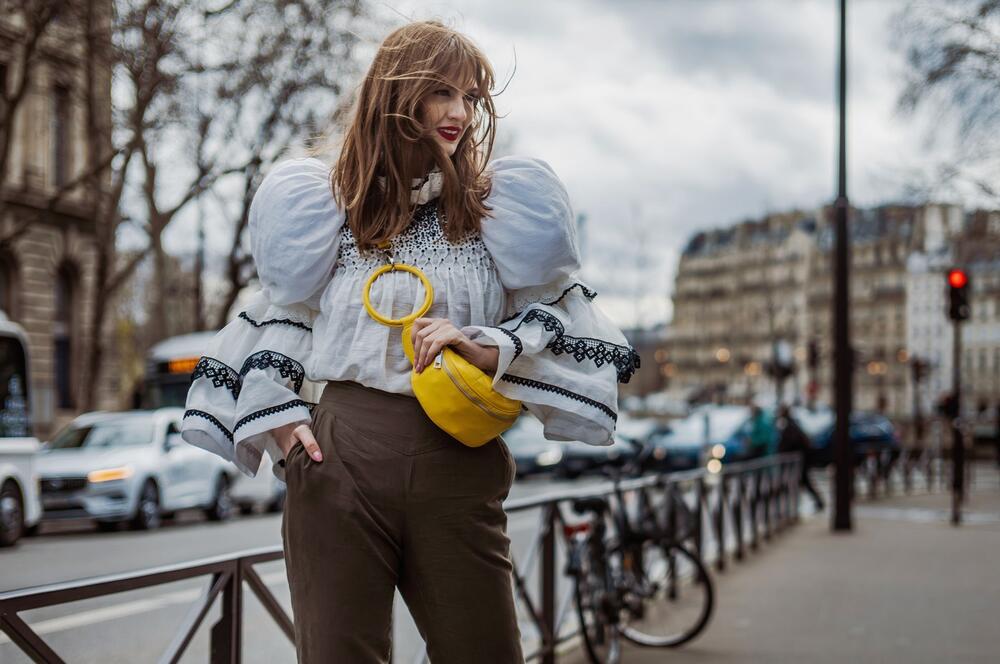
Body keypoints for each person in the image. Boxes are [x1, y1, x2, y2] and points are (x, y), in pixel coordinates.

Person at [180, 20, 639, 664]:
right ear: (398, 96)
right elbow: (280, 315)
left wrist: (485, 344)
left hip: (458, 457)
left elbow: (557, 320)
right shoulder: (328, 210)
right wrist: (283, 424)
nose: (460, 113)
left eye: (471, 98)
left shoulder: (495, 213)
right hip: (340, 458)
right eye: (443, 93)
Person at [776, 405, 825, 511]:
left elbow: (790, 443)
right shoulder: (792, 424)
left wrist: (782, 451)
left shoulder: (790, 426)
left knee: (801, 481)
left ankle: (817, 502)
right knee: (802, 482)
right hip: (800, 459)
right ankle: (816, 502)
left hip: (799, 459)